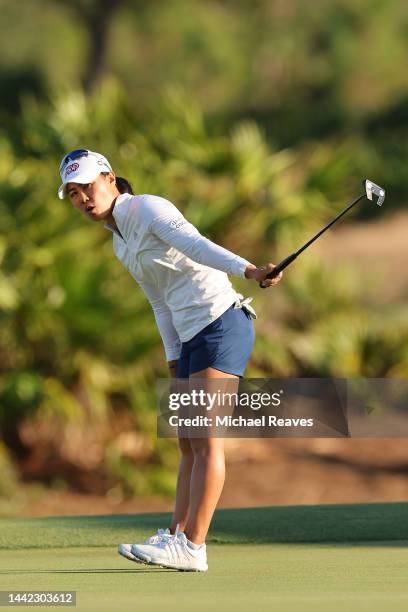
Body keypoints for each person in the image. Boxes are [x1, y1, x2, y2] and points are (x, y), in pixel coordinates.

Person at [57, 148, 283, 572]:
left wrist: (249, 270)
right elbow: (159, 304)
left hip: (222, 323)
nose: (83, 198)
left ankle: (193, 547)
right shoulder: (120, 244)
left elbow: (196, 246)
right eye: (73, 193)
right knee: (186, 441)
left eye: (87, 186)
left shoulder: (148, 209)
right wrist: (173, 361)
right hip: (189, 337)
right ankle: (176, 536)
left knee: (207, 438)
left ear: (110, 179)